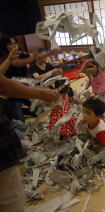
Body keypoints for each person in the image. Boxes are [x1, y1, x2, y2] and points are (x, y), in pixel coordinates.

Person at [0, 50, 59, 212]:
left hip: (8, 119)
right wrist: (40, 93)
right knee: (11, 200)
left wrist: (8, 61)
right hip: (2, 147)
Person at [0, 35, 57, 122]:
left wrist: (48, 53)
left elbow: (34, 56)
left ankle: (24, 111)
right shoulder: (3, 59)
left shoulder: (21, 55)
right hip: (12, 92)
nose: (14, 46)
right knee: (20, 118)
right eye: (11, 44)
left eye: (15, 43)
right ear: (5, 46)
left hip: (23, 88)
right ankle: (17, 113)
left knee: (39, 111)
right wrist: (8, 59)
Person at [81, 48, 105, 122]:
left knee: (100, 110)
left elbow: (82, 71)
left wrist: (86, 62)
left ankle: (101, 123)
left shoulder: (95, 70)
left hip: (100, 93)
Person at [82, 97, 105, 164]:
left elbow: (102, 144)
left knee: (103, 161)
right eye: (83, 111)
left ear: (98, 116)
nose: (84, 115)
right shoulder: (89, 121)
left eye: (88, 113)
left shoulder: (100, 130)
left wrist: (93, 147)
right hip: (101, 139)